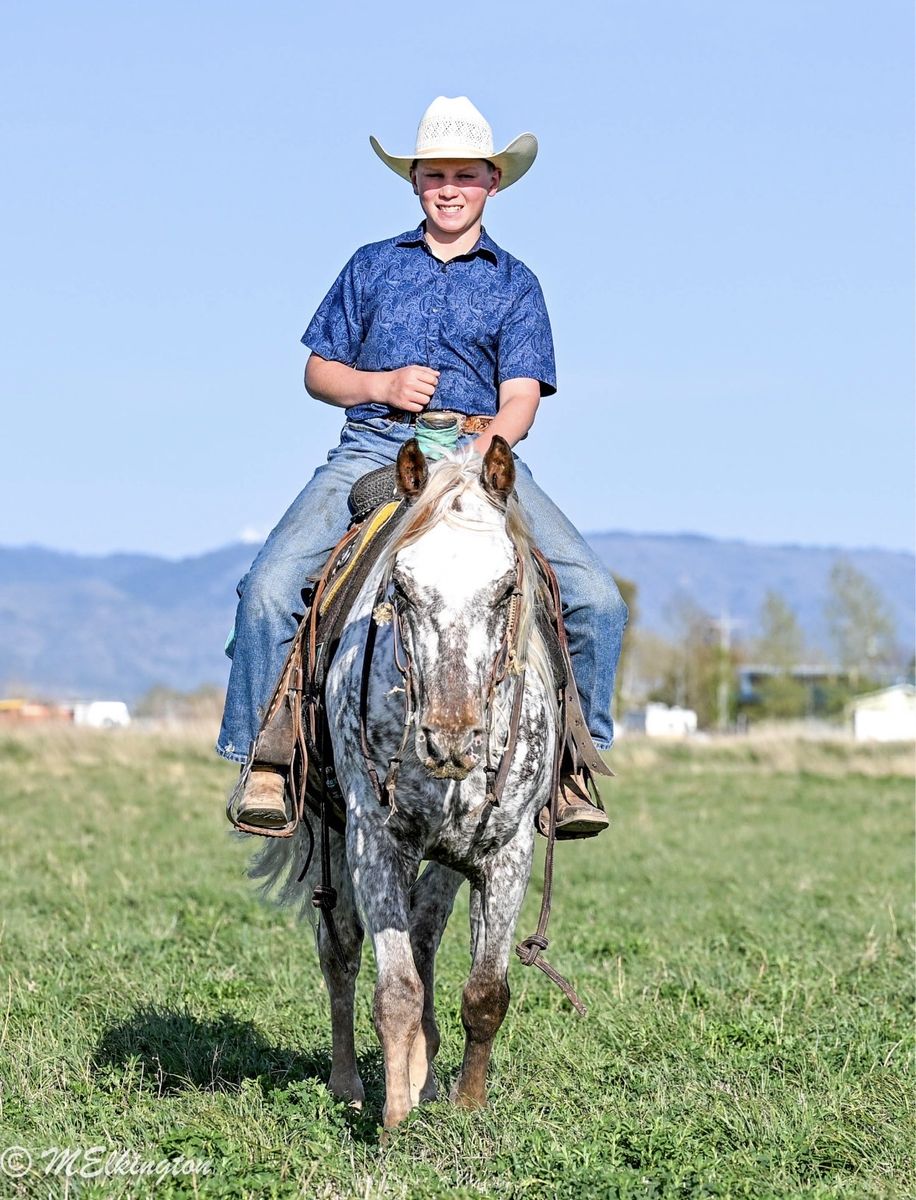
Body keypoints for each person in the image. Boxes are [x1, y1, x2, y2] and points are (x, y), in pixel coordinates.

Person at [218, 96, 628, 838]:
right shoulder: (371, 266)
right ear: (414, 182)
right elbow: (319, 371)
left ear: (492, 182)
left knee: (597, 598)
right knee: (271, 585)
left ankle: (573, 765)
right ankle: (267, 761)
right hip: (376, 449)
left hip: (481, 459)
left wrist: (477, 455)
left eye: (464, 175)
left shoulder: (517, 283)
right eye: (434, 173)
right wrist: (378, 385)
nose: (448, 187)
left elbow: (522, 400)